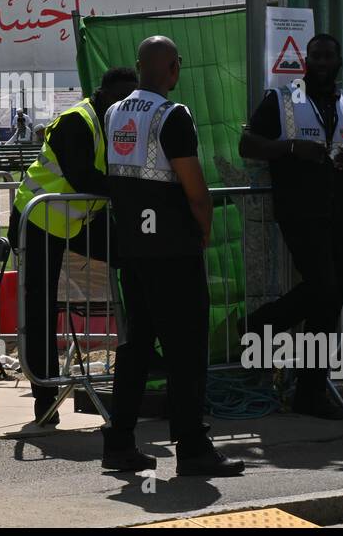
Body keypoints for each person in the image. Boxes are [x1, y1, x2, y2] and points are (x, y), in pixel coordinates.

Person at [101, 36, 244, 477]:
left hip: (134, 250)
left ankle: (121, 443)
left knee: (137, 346)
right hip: (172, 250)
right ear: (173, 69)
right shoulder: (172, 115)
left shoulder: (114, 111)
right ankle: (193, 447)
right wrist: (202, 228)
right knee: (186, 348)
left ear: (139, 66)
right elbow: (195, 188)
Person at [239, 33, 343, 419]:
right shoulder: (282, 99)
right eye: (315, 56)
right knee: (324, 287)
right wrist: (290, 148)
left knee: (334, 293)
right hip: (301, 209)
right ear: (305, 60)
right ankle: (269, 333)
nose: (321, 63)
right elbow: (247, 144)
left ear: (338, 61)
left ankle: (306, 385)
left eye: (328, 56)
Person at [9, 68, 139, 425]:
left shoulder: (120, 122)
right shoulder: (75, 121)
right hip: (38, 218)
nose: (126, 107)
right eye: (120, 99)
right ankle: (44, 396)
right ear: (103, 95)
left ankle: (143, 355)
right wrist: (131, 191)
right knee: (41, 307)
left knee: (135, 258)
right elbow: (84, 176)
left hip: (80, 218)